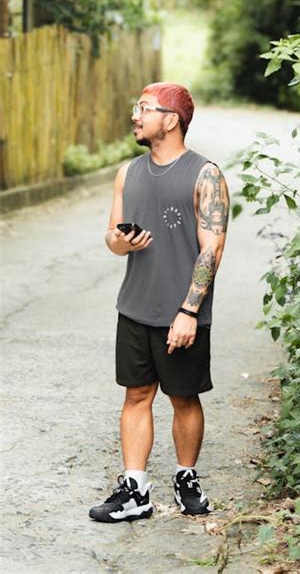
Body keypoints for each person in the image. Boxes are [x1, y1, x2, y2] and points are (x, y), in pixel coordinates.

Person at [89, 82, 229, 523]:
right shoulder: (127, 173)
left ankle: (186, 477)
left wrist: (189, 311)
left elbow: (212, 249)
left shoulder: (206, 175)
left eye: (144, 109)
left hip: (181, 313)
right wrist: (120, 242)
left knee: (183, 397)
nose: (135, 115)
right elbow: (111, 238)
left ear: (170, 119)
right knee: (136, 395)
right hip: (134, 306)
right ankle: (136, 489)